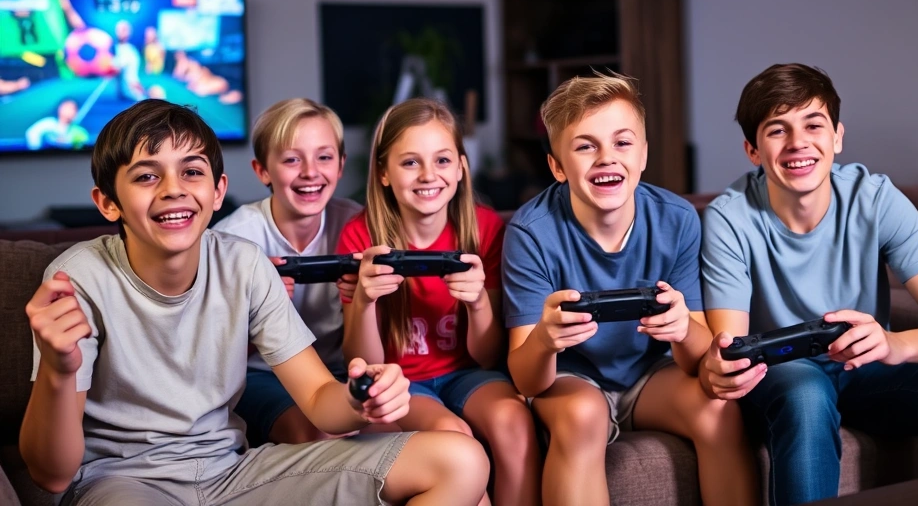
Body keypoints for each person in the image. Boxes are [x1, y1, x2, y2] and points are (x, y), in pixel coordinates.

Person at [20, 99, 488, 506]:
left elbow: (321, 401)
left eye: (192, 172)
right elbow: (52, 474)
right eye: (146, 176)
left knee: (461, 460)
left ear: (217, 190)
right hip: (124, 483)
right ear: (107, 202)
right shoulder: (77, 278)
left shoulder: (245, 264)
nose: (173, 189)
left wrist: (360, 397)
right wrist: (61, 371)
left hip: (233, 474)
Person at [698, 63, 918, 506]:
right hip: (785, 376)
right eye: (777, 131)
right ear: (752, 150)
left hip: (869, 371)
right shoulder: (728, 219)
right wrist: (719, 367)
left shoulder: (877, 199)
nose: (798, 143)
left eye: (813, 124)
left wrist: (894, 344)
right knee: (807, 393)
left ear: (837, 137)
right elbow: (730, 346)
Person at [502, 72, 758, 506]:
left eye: (622, 143)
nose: (607, 158)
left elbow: (698, 360)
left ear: (643, 153)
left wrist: (682, 330)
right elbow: (526, 379)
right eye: (586, 146)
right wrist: (545, 340)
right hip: (573, 378)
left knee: (718, 411)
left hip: (650, 376)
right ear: (558, 167)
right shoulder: (530, 232)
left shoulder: (677, 219)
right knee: (583, 415)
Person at [339, 98, 541, 506]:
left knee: (514, 420)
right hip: (400, 380)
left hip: (467, 372)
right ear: (383, 173)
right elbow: (363, 363)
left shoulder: (486, 229)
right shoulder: (361, 236)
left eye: (443, 160)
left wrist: (479, 303)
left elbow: (487, 358)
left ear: (462, 167)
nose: (429, 175)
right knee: (454, 435)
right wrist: (363, 302)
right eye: (410, 162)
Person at [214, 97, 361, 445]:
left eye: (324, 157)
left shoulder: (358, 226)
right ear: (262, 170)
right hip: (261, 375)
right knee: (319, 432)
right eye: (292, 159)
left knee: (396, 432)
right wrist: (259, 310)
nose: (310, 172)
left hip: (339, 371)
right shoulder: (232, 240)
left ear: (340, 165)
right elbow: (212, 354)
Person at [112, 20, 145, 102]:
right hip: (122, 92)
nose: (123, 33)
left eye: (125, 30)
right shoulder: (115, 48)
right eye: (121, 30)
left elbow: (131, 76)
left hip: (129, 90)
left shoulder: (131, 51)